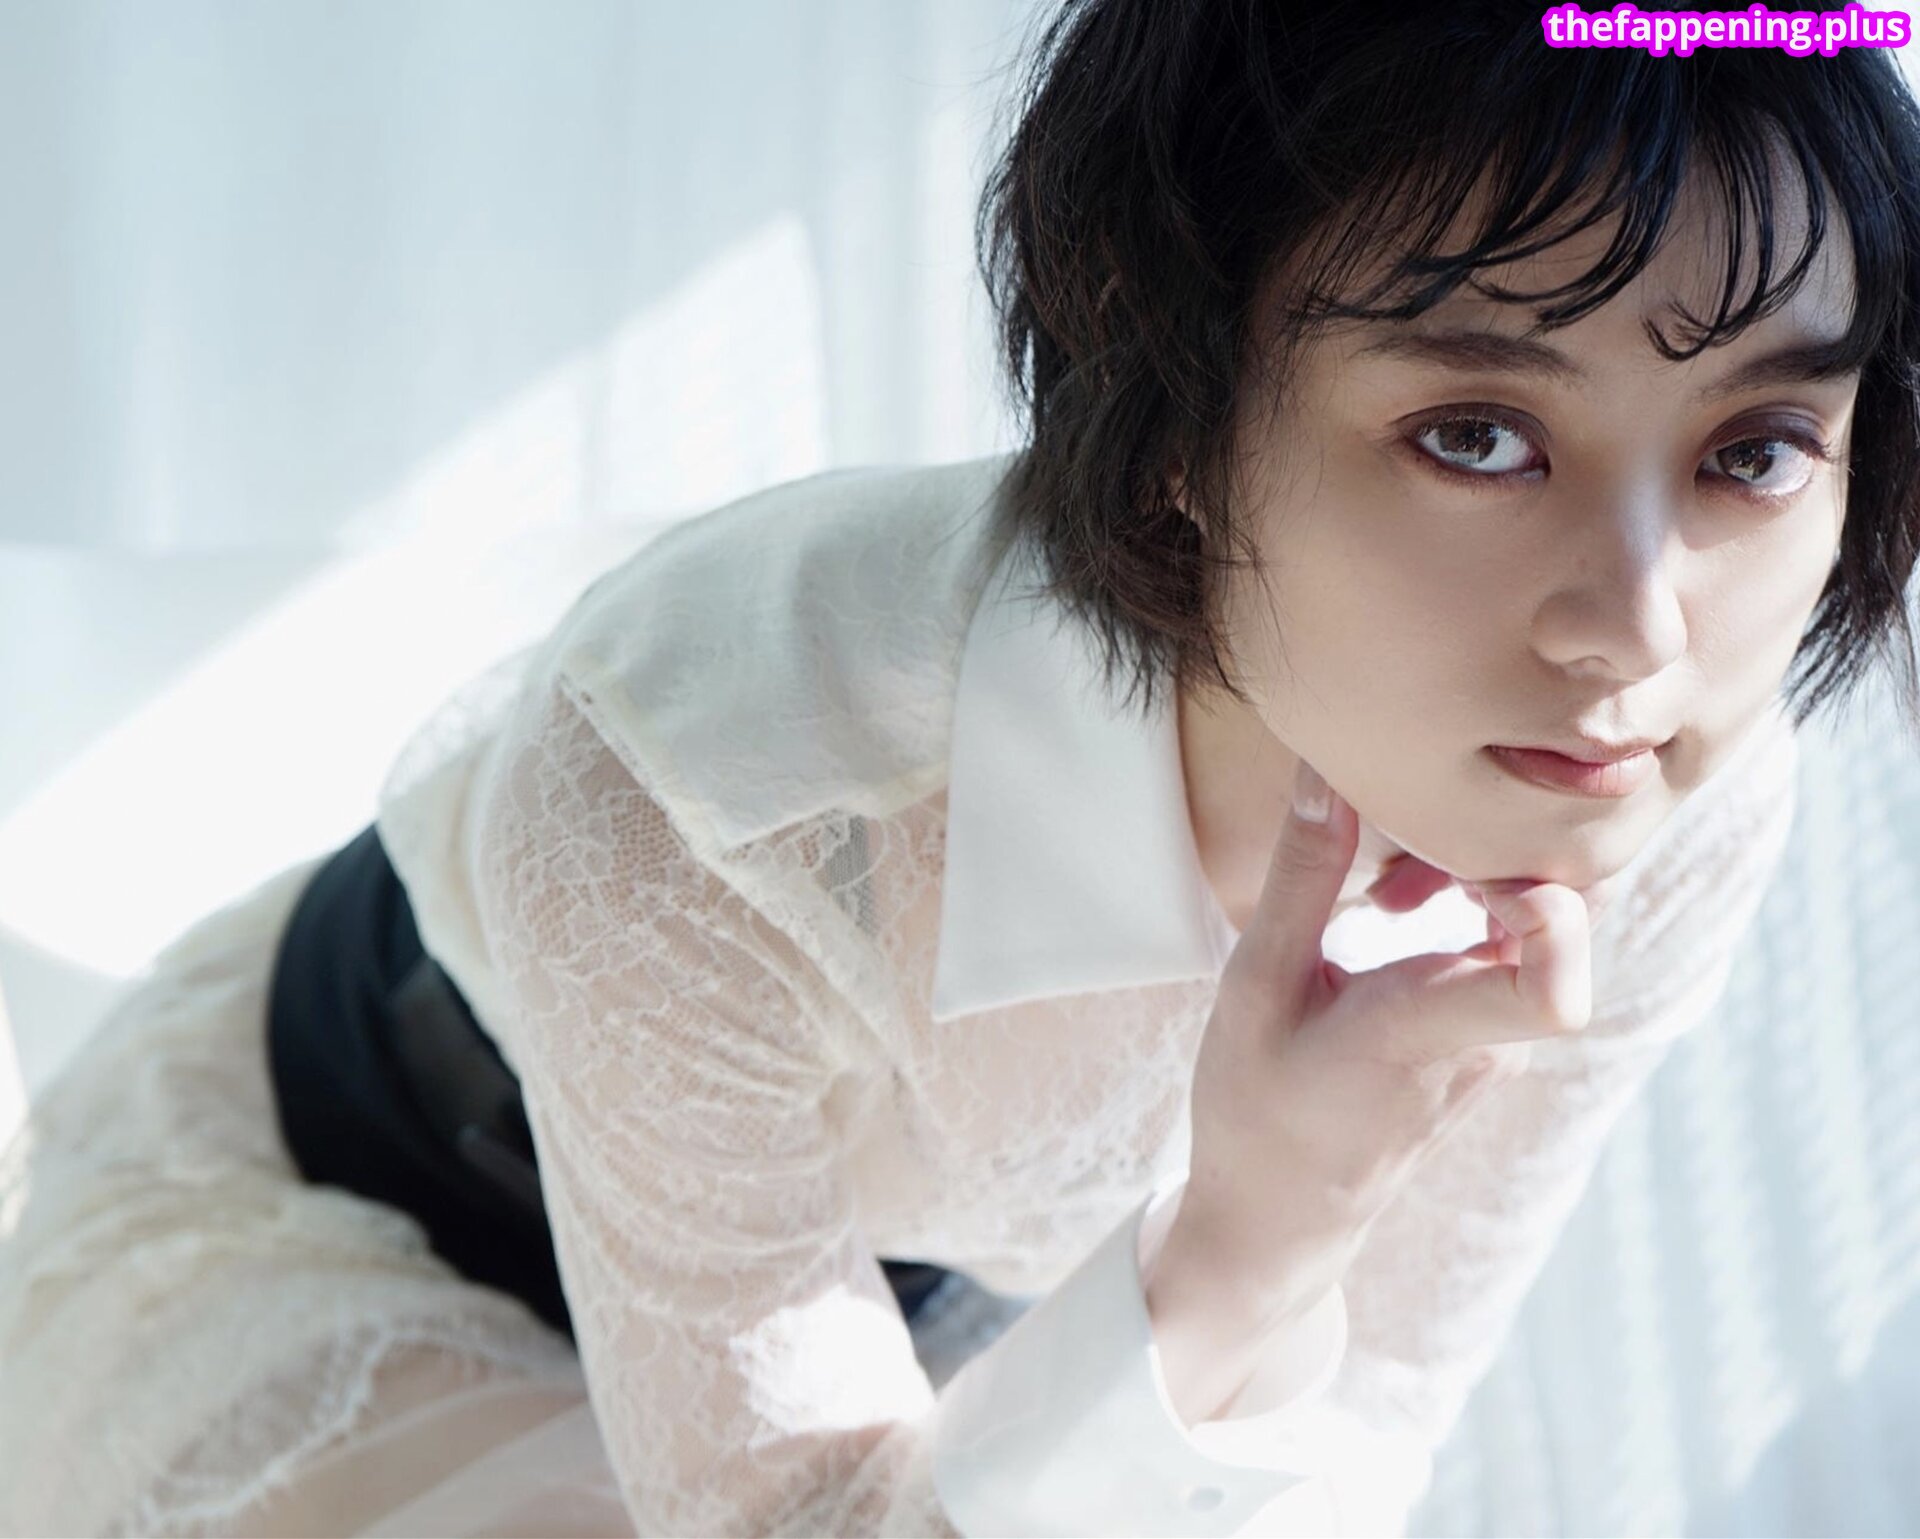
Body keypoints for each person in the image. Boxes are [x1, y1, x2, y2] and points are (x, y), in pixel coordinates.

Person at [3, 2, 1918, 1534]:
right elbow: (792, 1516)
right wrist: (1253, 1241)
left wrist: (1249, 1286)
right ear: (1173, 417)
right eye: (1479, 437)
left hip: (952, 1359)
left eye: (1754, 452)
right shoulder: (716, 798)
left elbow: (1369, 1415)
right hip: (380, 1213)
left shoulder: (1660, 789)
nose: (1637, 631)